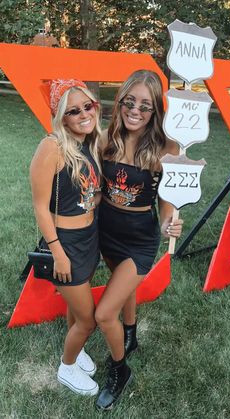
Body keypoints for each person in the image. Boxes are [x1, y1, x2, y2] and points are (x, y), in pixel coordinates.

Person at [95, 69, 183, 409]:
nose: (136, 110)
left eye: (145, 105)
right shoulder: (106, 139)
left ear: (156, 110)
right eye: (129, 101)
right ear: (119, 103)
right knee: (123, 289)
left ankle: (120, 370)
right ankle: (129, 333)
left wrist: (166, 225)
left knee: (104, 314)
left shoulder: (166, 147)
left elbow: (166, 202)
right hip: (107, 234)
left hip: (139, 240)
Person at [30, 79, 102, 396]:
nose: (84, 114)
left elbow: (87, 191)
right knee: (89, 320)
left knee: (77, 311)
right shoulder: (52, 147)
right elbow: (40, 207)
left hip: (88, 239)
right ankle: (67, 367)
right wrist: (58, 252)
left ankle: (77, 350)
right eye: (74, 111)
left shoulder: (86, 141)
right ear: (62, 116)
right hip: (66, 244)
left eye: (88, 106)